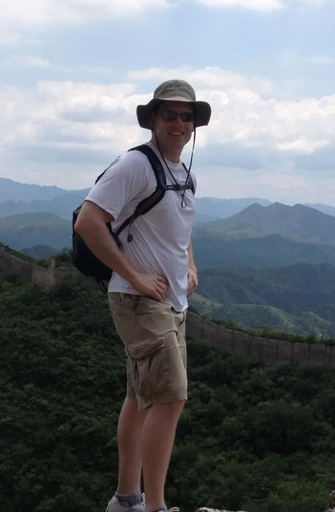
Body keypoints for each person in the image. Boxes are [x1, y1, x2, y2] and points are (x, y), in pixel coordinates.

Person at [74, 79, 211, 512]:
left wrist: (189, 265)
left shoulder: (183, 174)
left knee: (140, 397)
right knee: (171, 398)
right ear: (153, 119)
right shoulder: (135, 165)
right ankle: (155, 507)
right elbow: (89, 221)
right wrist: (132, 275)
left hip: (171, 303)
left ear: (194, 125)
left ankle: (127, 497)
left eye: (186, 116)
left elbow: (179, 232)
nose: (178, 122)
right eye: (168, 114)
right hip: (138, 301)